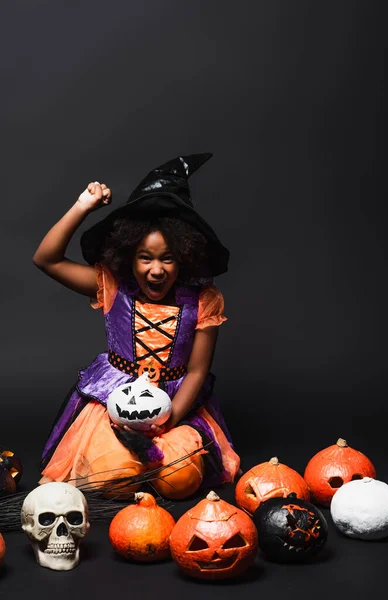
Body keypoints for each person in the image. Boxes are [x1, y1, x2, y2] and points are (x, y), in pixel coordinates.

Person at [33, 153, 240, 499]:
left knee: (179, 481)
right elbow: (46, 259)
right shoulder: (112, 286)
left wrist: (167, 420)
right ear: (129, 255)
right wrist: (82, 207)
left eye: (167, 258)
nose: (156, 270)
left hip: (176, 403)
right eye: (145, 257)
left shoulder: (204, 300)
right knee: (110, 478)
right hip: (114, 401)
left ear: (184, 258)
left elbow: (197, 371)